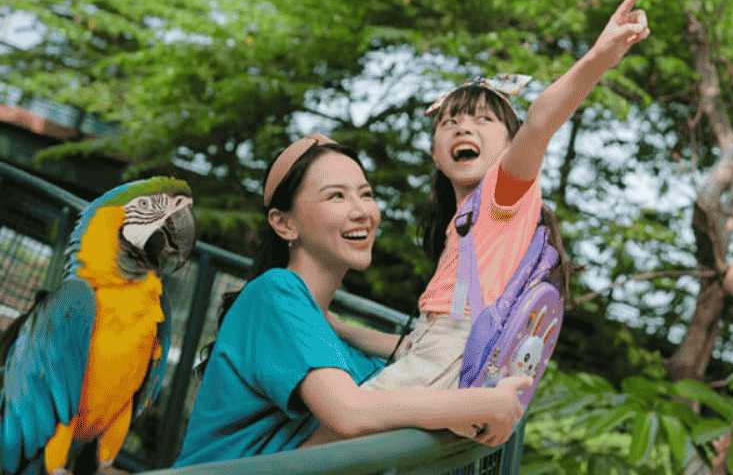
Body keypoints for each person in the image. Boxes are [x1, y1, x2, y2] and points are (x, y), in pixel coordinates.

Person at [317, 0, 650, 440]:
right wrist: (339, 327)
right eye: (449, 122)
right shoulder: (465, 224)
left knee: (325, 436)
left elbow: (541, 121)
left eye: (482, 119)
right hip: (441, 360)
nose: (462, 127)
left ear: (512, 145)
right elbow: (420, 348)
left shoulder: (501, 196)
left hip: (449, 364)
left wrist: (599, 57)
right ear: (435, 154)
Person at [174, 135, 530, 465]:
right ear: (284, 224)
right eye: (336, 196)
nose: (362, 211)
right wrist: (478, 405)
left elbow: (422, 354)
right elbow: (349, 413)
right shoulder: (274, 292)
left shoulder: (335, 344)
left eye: (366, 194)